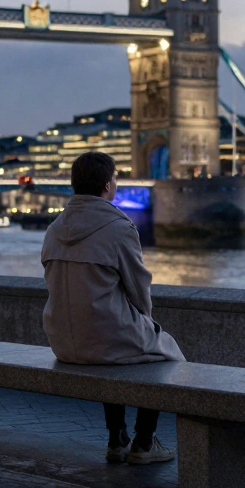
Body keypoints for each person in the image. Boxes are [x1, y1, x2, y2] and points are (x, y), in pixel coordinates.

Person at [40, 151, 185, 465]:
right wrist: (147, 323)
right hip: (102, 337)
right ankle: (145, 443)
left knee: (111, 344)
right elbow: (138, 289)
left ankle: (116, 437)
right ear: (107, 186)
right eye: (116, 179)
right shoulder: (119, 227)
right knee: (164, 350)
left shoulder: (53, 229)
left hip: (62, 341)